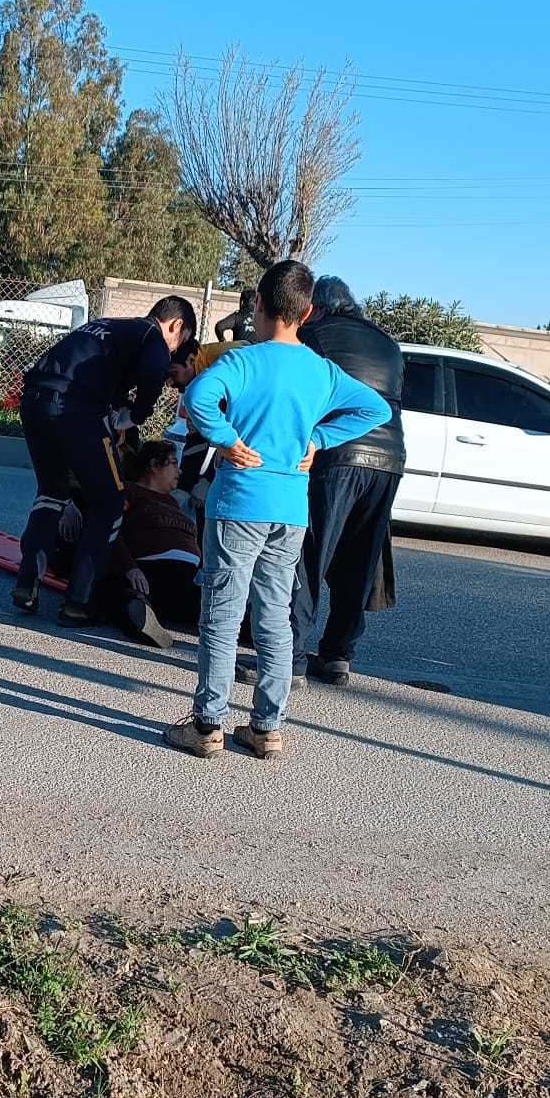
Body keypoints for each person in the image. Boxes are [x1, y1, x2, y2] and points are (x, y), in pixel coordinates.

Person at [165, 260, 388, 760]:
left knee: (222, 615)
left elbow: (198, 396)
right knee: (275, 617)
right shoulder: (322, 371)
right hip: (290, 509)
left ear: (257, 304)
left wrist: (225, 440)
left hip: (239, 502)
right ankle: (266, 727)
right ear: (308, 313)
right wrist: (320, 438)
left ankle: (207, 725)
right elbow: (376, 410)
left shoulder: (242, 361)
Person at [13, 297, 196, 625]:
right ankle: (77, 602)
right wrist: (135, 416)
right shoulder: (150, 335)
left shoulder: (108, 326)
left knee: (51, 492)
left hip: (34, 401)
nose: (174, 351)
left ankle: (28, 583)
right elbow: (154, 369)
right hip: (77, 408)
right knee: (111, 500)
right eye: (179, 342)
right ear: (176, 325)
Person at [291, 275, 406, 686]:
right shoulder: (388, 344)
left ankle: (291, 656)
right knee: (360, 558)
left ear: (317, 308)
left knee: (309, 554)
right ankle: (338, 654)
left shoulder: (315, 335)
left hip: (335, 455)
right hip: (389, 459)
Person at [93, 438, 202, 646]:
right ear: (153, 465)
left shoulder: (171, 502)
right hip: (150, 571)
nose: (179, 471)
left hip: (188, 578)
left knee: (218, 605)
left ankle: (261, 630)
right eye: (174, 463)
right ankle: (141, 615)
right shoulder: (129, 491)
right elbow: (110, 529)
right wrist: (129, 567)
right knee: (122, 593)